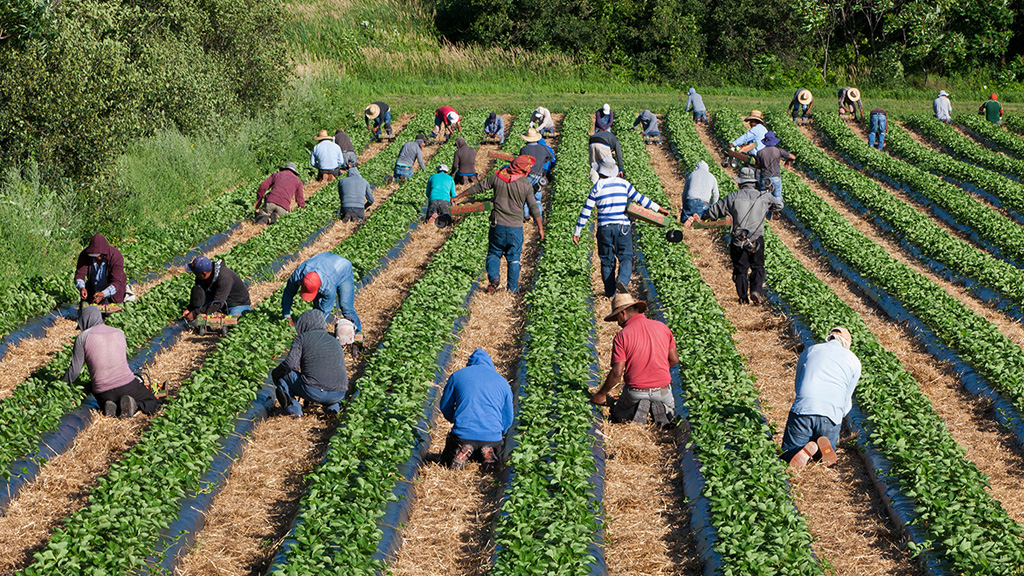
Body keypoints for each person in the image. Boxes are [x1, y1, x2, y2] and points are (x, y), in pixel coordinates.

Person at [574, 157, 667, 297]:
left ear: (600, 172)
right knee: (626, 257)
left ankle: (610, 293)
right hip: (622, 227)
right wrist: (658, 208)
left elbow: (586, 211)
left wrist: (578, 231)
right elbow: (640, 199)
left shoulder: (597, 187)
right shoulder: (624, 184)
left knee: (606, 261)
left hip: (604, 228)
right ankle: (622, 280)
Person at [453, 155, 545, 293]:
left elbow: (478, 187)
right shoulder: (526, 185)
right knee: (514, 258)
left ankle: (494, 278)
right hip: (515, 227)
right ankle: (512, 289)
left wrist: (459, 196)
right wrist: (540, 228)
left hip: (498, 226)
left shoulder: (497, 177)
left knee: (494, 253)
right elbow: (533, 207)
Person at [590, 293, 679, 426]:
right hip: (662, 392)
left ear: (623, 314)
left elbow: (617, 372)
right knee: (670, 410)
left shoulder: (622, 336)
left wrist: (601, 394)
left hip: (636, 392)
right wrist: (656, 373)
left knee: (618, 413)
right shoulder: (663, 328)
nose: (618, 323)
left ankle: (633, 412)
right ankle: (663, 410)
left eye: (617, 318)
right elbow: (674, 359)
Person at [782, 327, 861, 468]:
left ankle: (799, 453)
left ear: (829, 337)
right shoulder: (854, 360)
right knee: (824, 458)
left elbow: (798, 385)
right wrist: (837, 418)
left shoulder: (811, 350)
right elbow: (846, 399)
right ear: (847, 344)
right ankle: (821, 455)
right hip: (831, 414)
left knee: (789, 454)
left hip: (803, 409)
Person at [704, 166, 782, 305]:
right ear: (754, 182)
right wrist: (769, 207)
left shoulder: (732, 197)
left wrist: (701, 216)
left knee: (741, 270)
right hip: (756, 238)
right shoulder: (763, 196)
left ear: (740, 183)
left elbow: (713, 212)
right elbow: (779, 205)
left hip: (738, 240)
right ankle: (756, 291)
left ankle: (743, 298)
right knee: (758, 267)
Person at [63, 306, 160, 418]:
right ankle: (135, 405)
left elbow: (74, 371)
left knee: (101, 391)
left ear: (84, 321)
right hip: (127, 385)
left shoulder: (82, 338)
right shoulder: (119, 332)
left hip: (103, 392)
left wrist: (62, 385)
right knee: (153, 402)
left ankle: (111, 405)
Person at [438, 348, 513, 471]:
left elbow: (445, 406)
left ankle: (462, 450)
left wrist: (456, 419)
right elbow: (508, 417)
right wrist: (500, 432)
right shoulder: (502, 381)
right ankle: (488, 450)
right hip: (492, 436)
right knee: (489, 447)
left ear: (469, 363)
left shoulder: (458, 375)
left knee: (446, 457)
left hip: (463, 434)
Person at [271, 309, 348, 417]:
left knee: (284, 374)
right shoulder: (334, 340)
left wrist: (275, 373)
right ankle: (333, 408)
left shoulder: (302, 338)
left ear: (303, 324)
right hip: (339, 393)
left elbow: (290, 364)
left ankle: (295, 410)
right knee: (330, 387)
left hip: (314, 391)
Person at [281, 253, 362, 338]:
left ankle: (357, 333)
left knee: (346, 306)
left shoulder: (328, 286)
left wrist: (313, 330)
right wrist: (287, 316)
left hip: (343, 268)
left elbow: (325, 310)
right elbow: (288, 293)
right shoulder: (298, 274)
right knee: (317, 306)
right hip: (324, 263)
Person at [181, 256, 251, 322]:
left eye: (195, 272)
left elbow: (218, 303)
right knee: (199, 320)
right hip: (216, 300)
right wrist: (190, 309)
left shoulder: (224, 278)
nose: (194, 274)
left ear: (204, 274)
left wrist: (194, 314)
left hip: (237, 304)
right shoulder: (200, 277)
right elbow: (199, 296)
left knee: (232, 324)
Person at [75, 233, 127, 305]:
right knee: (88, 311)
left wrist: (103, 294)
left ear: (104, 253)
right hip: (93, 289)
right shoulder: (85, 254)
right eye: (93, 256)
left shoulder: (115, 256)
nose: (96, 258)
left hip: (112, 293)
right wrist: (82, 288)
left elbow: (116, 282)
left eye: (98, 255)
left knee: (109, 313)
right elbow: (80, 274)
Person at [519, 128, 554, 216]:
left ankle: (526, 216)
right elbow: (550, 157)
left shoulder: (524, 149)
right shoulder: (543, 148)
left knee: (525, 197)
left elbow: (521, 162)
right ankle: (539, 217)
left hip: (528, 175)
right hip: (539, 175)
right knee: (537, 199)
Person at [756, 131, 794, 204]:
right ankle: (776, 212)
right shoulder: (778, 151)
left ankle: (765, 214)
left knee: (764, 199)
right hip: (775, 176)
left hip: (764, 177)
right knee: (777, 197)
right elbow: (792, 157)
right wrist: (788, 162)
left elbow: (758, 166)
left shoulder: (760, 152)